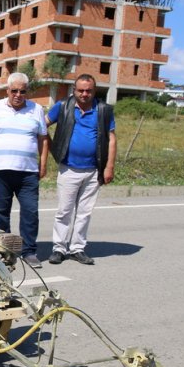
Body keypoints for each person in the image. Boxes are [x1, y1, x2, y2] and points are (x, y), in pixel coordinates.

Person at [45, 74, 117, 265]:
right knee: (64, 211)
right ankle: (59, 248)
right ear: (74, 90)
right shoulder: (62, 106)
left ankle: (77, 248)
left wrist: (109, 166)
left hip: (94, 170)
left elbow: (111, 139)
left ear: (94, 91)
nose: (84, 94)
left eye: (89, 91)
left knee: (84, 212)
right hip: (68, 168)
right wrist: (53, 148)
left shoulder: (103, 110)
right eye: (81, 90)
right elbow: (43, 126)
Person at [0, 72, 49, 268]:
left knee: (30, 212)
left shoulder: (36, 109)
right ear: (7, 90)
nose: (18, 95)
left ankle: (29, 251)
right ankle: (6, 252)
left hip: (27, 172)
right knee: (1, 213)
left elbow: (43, 139)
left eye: (23, 91)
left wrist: (43, 164)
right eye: (14, 91)